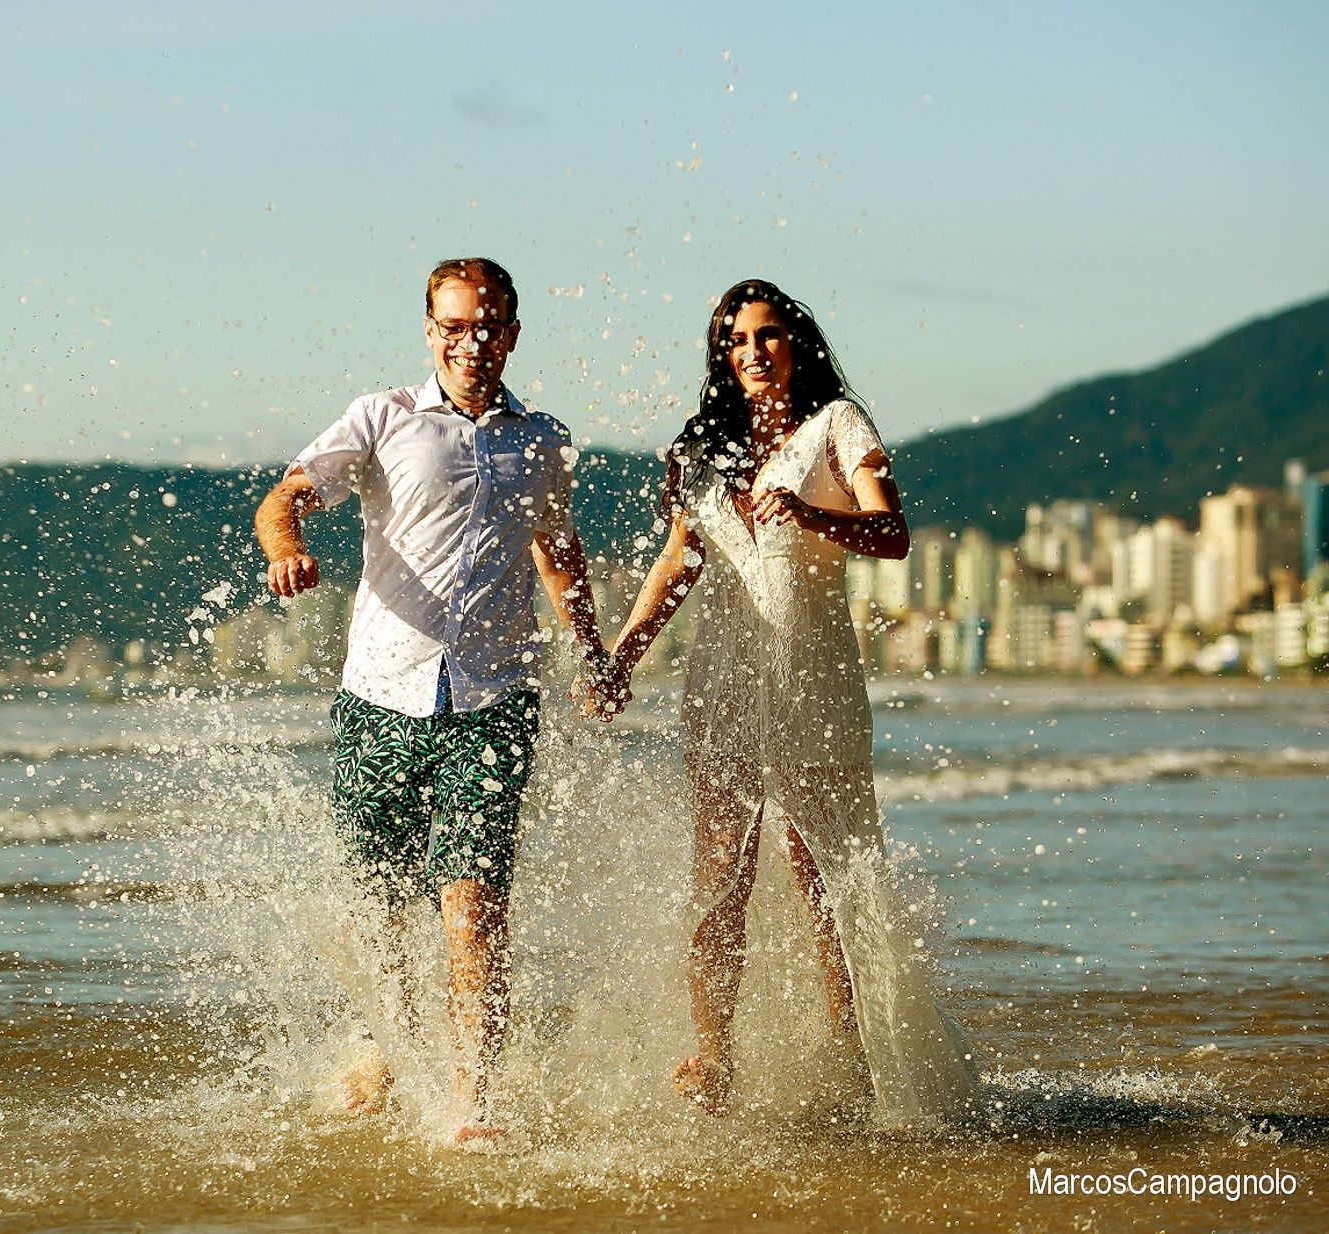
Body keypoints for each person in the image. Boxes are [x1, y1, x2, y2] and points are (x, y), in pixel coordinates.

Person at [586, 278, 979, 1127]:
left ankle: (853, 1056)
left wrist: (809, 513)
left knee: (826, 880)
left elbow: (893, 533)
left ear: (797, 344)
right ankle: (715, 1055)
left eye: (768, 337)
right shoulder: (698, 453)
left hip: (814, 679)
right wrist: (620, 660)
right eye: (736, 342)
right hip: (721, 682)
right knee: (718, 875)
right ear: (720, 358)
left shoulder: (839, 427)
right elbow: (678, 564)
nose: (753, 354)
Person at [255, 257, 608, 1143]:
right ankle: (387, 1047)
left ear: (514, 333)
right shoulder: (383, 417)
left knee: (472, 905)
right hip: (380, 695)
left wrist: (594, 652)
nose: (470, 342)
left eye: (486, 326)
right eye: (452, 326)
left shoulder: (543, 439)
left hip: (492, 700)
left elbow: (557, 556)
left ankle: (470, 1103)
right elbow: (285, 497)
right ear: (428, 330)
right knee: (380, 905)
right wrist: (286, 547)